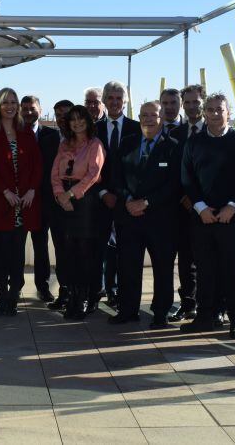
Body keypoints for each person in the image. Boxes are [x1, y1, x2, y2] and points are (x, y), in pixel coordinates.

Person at [180, 93, 235, 339]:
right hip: (202, 218)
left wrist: (231, 206)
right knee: (205, 269)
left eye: (219, 109)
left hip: (233, 217)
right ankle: (205, 317)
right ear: (204, 113)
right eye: (209, 110)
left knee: (234, 270)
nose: (214, 113)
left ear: (228, 112)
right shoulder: (194, 142)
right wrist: (201, 208)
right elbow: (187, 179)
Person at [109, 101, 182, 327]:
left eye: (154, 115)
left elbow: (175, 184)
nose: (149, 119)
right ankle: (128, 310)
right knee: (128, 266)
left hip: (160, 219)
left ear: (162, 118)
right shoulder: (127, 143)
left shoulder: (174, 146)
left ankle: (160, 313)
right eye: (144, 115)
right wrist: (129, 200)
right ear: (138, 117)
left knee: (162, 268)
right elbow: (115, 177)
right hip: (129, 216)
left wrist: (147, 202)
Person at [0, 87, 41, 316]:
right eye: (5, 102)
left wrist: (32, 191)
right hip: (1, 202)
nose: (10, 106)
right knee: (1, 255)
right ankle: (2, 295)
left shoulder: (25, 130)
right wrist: (5, 191)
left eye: (13, 102)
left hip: (24, 205)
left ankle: (14, 295)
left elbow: (38, 165)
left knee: (17, 254)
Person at [51, 105, 106, 320]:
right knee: (68, 252)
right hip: (63, 201)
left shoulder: (95, 144)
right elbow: (55, 173)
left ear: (88, 121)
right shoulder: (64, 144)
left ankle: (85, 297)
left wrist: (72, 194)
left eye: (81, 119)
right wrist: (60, 195)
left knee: (85, 252)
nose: (77, 123)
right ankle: (72, 297)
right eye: (72, 119)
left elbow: (93, 174)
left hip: (85, 202)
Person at [95, 81, 140, 311]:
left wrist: (125, 196)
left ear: (125, 101)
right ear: (104, 100)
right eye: (110, 98)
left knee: (126, 252)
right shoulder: (94, 129)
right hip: (101, 200)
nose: (114, 102)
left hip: (129, 201)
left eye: (119, 98)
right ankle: (101, 293)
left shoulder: (137, 128)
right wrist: (103, 192)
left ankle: (124, 297)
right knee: (101, 251)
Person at [168, 84, 206, 322]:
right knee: (185, 260)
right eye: (188, 102)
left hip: (209, 207)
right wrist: (184, 196)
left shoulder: (214, 131)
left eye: (196, 102)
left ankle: (210, 303)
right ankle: (188, 303)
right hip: (181, 207)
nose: (192, 106)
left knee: (208, 259)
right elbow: (173, 171)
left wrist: (199, 199)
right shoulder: (176, 134)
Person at [22, 95, 60, 303]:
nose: (28, 111)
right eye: (25, 108)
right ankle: (13, 286)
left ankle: (43, 287)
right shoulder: (15, 133)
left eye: (32, 108)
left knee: (41, 246)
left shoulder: (52, 136)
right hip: (19, 200)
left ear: (40, 108)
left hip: (45, 200)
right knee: (15, 245)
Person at [46, 99, 75, 311]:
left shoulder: (86, 140)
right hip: (55, 206)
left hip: (78, 206)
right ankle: (64, 291)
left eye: (66, 114)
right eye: (58, 115)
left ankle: (79, 293)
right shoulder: (50, 139)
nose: (62, 119)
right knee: (61, 252)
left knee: (78, 251)